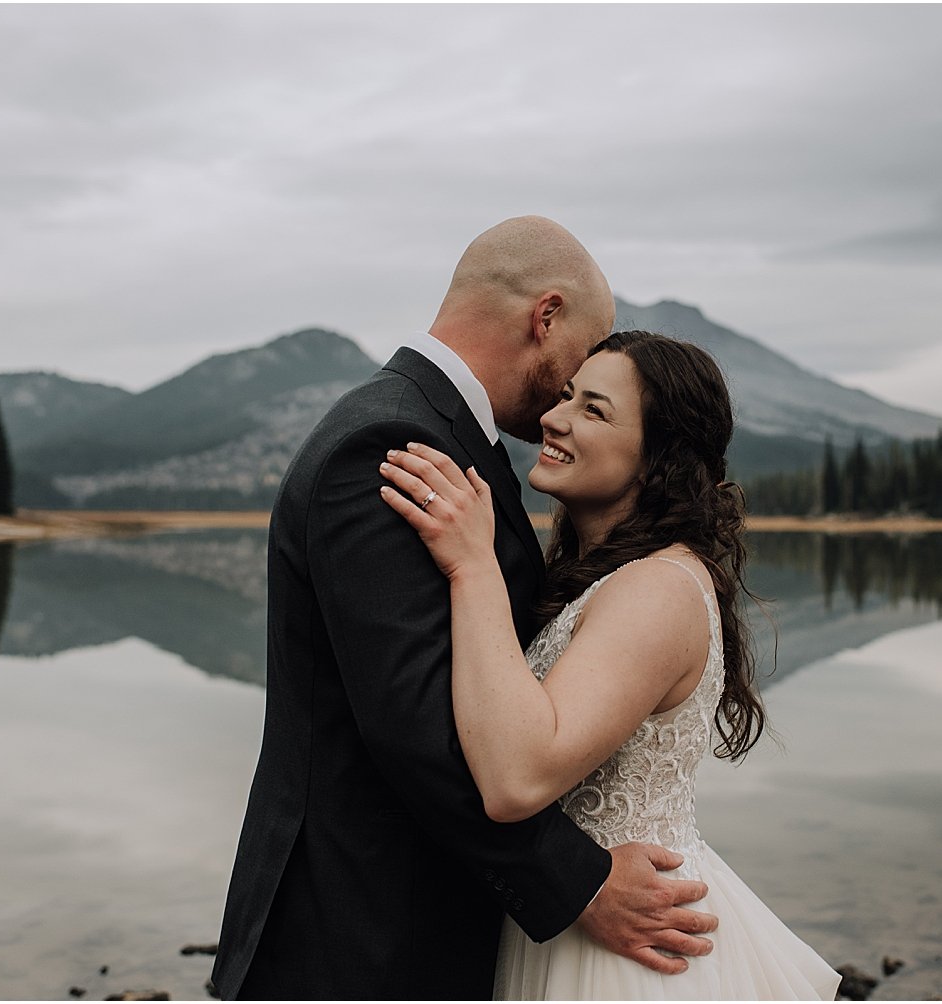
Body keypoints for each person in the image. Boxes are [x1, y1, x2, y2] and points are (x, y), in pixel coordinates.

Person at [210, 218, 718, 1001]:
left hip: (414, 929)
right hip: (358, 939)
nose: (563, 404)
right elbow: (420, 728)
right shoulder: (392, 443)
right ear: (544, 319)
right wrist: (577, 882)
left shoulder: (447, 437)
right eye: (582, 360)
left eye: (597, 403)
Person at [379, 330, 843, 999]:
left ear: (659, 458)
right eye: (566, 396)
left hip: (633, 954)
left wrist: (471, 563)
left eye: (594, 410)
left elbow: (516, 779)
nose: (554, 418)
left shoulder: (657, 589)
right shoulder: (609, 577)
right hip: (579, 922)